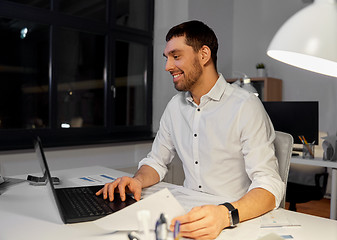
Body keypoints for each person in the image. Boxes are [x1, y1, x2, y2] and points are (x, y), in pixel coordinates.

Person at [96, 20, 284, 239]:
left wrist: (225, 215)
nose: (167, 66)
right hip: (187, 215)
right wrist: (137, 181)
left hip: (234, 220)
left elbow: (269, 184)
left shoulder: (245, 106)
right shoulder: (175, 107)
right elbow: (156, 161)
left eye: (176, 56)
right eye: (167, 58)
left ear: (204, 55)